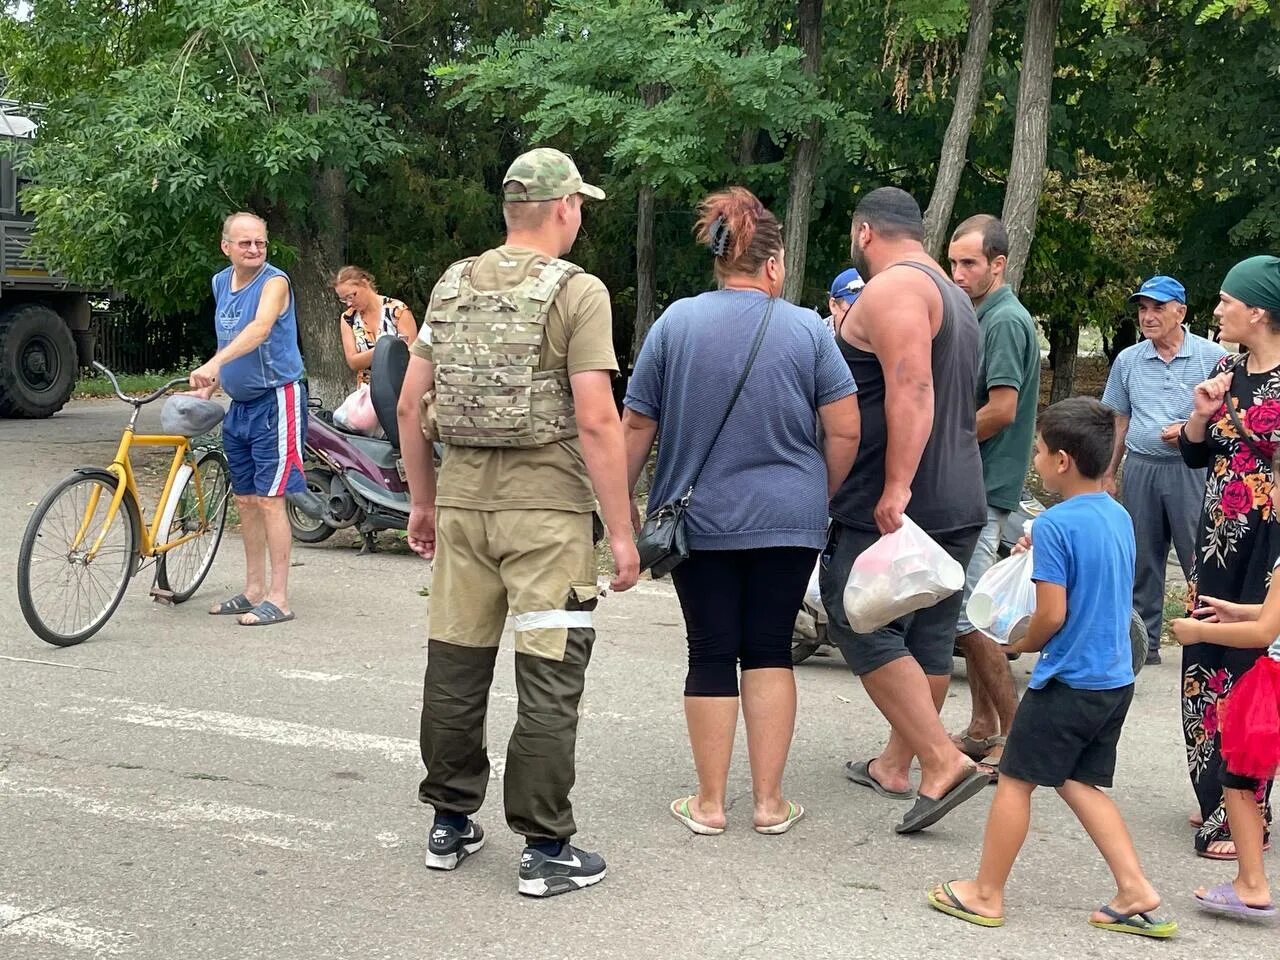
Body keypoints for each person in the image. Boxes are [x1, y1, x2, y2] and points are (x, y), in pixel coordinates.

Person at [395, 147, 639, 899]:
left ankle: (448, 823)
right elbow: (598, 420)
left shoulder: (450, 284)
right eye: (580, 208)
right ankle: (544, 848)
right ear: (564, 207)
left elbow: (409, 405)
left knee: (456, 666)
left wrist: (424, 501)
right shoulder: (580, 292)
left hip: (464, 508)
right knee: (548, 676)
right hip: (547, 517)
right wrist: (621, 533)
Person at [622, 188, 861, 837]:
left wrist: (618, 514)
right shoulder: (810, 330)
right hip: (790, 520)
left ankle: (708, 804)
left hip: (699, 521)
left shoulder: (675, 324)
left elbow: (637, 423)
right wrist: (820, 495)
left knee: (710, 651)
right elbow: (844, 430)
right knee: (768, 652)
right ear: (774, 264)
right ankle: (768, 803)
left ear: (719, 257)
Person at [927, 398, 1177, 939]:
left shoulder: (1057, 524)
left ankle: (986, 892)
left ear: (1062, 460)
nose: (1034, 459)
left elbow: (1052, 613)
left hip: (1069, 678)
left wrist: (1021, 645)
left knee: (1015, 780)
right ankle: (1134, 888)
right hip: (1113, 679)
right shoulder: (1116, 512)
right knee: (1080, 781)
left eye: (1038, 451)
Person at [820, 186, 988, 834]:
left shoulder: (891, 290)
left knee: (853, 611)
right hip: (959, 492)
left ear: (865, 232)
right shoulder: (952, 293)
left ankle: (941, 761)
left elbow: (912, 385)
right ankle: (897, 766)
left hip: (897, 498)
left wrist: (895, 486)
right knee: (929, 635)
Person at [1179, 255, 1280, 859]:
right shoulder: (1225, 369)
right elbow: (1197, 456)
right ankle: (1215, 791)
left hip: (1269, 543)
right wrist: (1199, 413)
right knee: (1204, 657)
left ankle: (1250, 808)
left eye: (1225, 301)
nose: (1216, 311)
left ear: (1259, 311)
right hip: (1218, 536)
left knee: (1253, 670)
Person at [946, 214, 1041, 778]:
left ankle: (1019, 735)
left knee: (969, 617)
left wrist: (945, 446)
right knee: (968, 610)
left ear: (998, 264)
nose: (957, 274)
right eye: (953, 262)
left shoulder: (1004, 321)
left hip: (983, 485)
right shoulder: (983, 313)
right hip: (977, 481)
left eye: (970, 264)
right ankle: (984, 726)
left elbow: (1001, 409)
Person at [1170, 451, 1280, 919]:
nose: (1269, 492)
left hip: (1271, 684)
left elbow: (1262, 635)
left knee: (1238, 778)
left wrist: (1201, 632)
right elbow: (1268, 616)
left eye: (1276, 481)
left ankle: (1250, 882)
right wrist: (1242, 610)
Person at [1101, 275, 1227, 666]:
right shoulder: (1129, 359)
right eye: (1142, 308)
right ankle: (1145, 644)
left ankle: (1205, 642)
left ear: (1181, 312)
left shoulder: (1212, 357)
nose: (1148, 316)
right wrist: (1108, 472)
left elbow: (1226, 417)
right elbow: (1119, 418)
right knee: (1143, 558)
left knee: (1199, 556)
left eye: (1157, 307)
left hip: (1192, 470)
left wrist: (1192, 431)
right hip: (1142, 467)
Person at [189, 212, 304, 627]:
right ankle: (254, 590)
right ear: (226, 247)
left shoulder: (275, 282)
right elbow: (227, 337)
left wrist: (213, 363)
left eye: (260, 242)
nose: (254, 250)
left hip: (276, 401)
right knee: (246, 499)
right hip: (240, 405)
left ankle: (279, 598)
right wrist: (209, 384)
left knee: (272, 500)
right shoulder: (221, 282)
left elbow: (258, 329)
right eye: (245, 243)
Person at [334, 265, 417, 386]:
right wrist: (385, 348)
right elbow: (353, 362)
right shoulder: (348, 318)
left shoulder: (398, 311)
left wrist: (369, 355)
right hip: (366, 391)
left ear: (364, 283)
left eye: (350, 296)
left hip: (399, 387)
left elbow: (408, 355)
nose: (348, 303)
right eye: (343, 299)